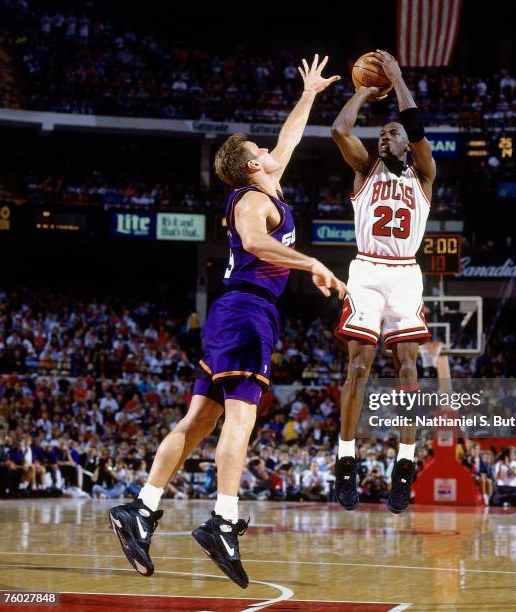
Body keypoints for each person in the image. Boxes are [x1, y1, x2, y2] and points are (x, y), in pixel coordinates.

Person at [109, 54, 346, 588]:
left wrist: (309, 93)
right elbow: (259, 243)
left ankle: (141, 509)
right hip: (247, 311)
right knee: (241, 418)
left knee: (199, 420)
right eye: (259, 150)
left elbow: (289, 140)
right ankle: (223, 519)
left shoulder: (268, 184)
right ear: (250, 166)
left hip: (233, 314)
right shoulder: (247, 201)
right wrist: (310, 262)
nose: (269, 150)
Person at [331, 49, 435, 514]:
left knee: (408, 373)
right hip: (368, 269)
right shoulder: (363, 170)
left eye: (391, 133)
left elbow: (417, 129)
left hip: (406, 274)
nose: (384, 138)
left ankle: (404, 465)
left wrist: (396, 77)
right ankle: (347, 460)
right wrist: (360, 92)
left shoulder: (425, 176)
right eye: (381, 134)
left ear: (405, 144)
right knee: (357, 370)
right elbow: (339, 130)